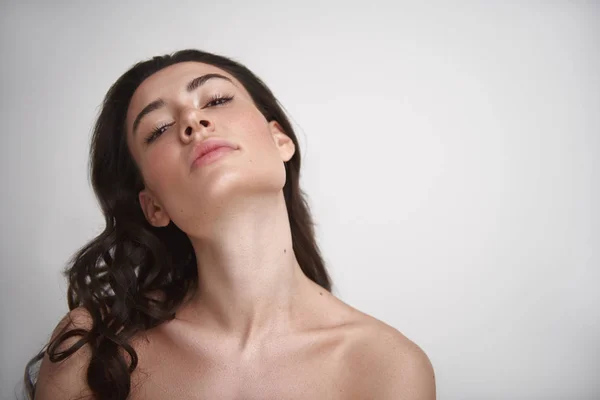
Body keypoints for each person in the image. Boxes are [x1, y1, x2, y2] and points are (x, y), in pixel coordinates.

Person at [24, 49, 435, 399]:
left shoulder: (388, 368)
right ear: (153, 206)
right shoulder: (91, 347)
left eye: (217, 100)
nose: (193, 121)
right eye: (160, 129)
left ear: (280, 140)